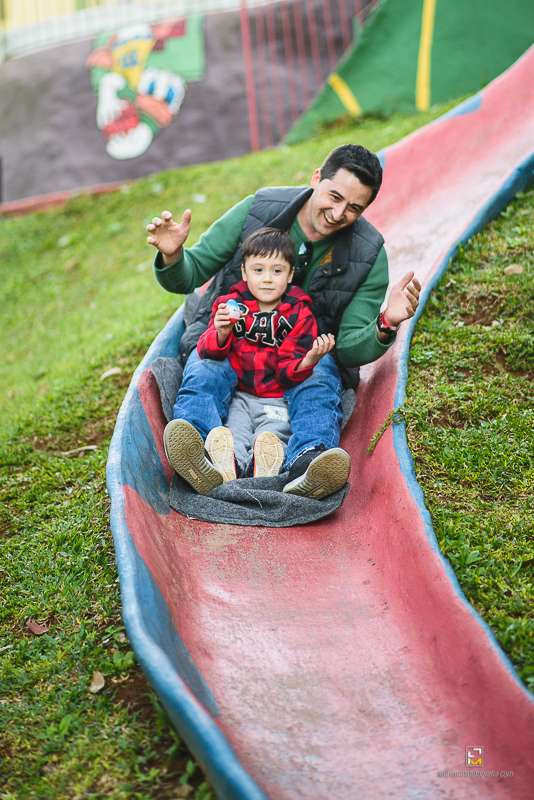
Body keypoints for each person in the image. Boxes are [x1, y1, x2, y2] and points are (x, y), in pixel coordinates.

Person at [147, 144, 421, 499]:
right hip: (235, 337)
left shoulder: (368, 254)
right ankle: (199, 453)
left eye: (354, 208)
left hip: (303, 353)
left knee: (321, 381)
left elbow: (351, 347)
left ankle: (308, 463)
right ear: (316, 179)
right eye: (334, 196)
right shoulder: (258, 211)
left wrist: (385, 322)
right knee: (205, 366)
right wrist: (173, 255)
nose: (338, 213)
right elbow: (189, 275)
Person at [165, 227, 342, 496]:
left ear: (291, 274)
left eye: (277, 271)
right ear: (245, 272)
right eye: (258, 270)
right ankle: (219, 466)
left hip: (276, 399)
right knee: (229, 437)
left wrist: (309, 359)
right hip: (238, 397)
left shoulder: (300, 314)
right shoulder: (229, 305)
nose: (267, 279)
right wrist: (221, 332)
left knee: (271, 437)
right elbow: (207, 350)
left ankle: (282, 469)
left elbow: (286, 372)